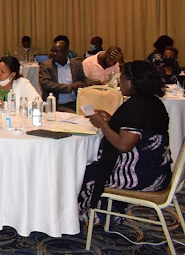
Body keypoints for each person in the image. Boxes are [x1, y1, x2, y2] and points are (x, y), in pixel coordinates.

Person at [78, 61, 172, 223]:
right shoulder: (154, 103)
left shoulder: (136, 107)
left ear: (134, 81)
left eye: (122, 79)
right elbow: (136, 132)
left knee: (82, 172)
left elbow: (124, 145)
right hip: (158, 170)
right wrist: (111, 120)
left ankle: (89, 215)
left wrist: (101, 124)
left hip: (140, 176)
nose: (119, 82)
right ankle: (108, 213)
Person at [39, 40, 88, 112]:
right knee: (73, 114)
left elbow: (83, 80)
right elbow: (46, 84)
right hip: (56, 104)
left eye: (57, 51)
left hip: (76, 103)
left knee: (92, 113)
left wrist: (93, 82)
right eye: (52, 51)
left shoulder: (76, 65)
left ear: (66, 52)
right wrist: (71, 87)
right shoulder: (46, 65)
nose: (54, 54)